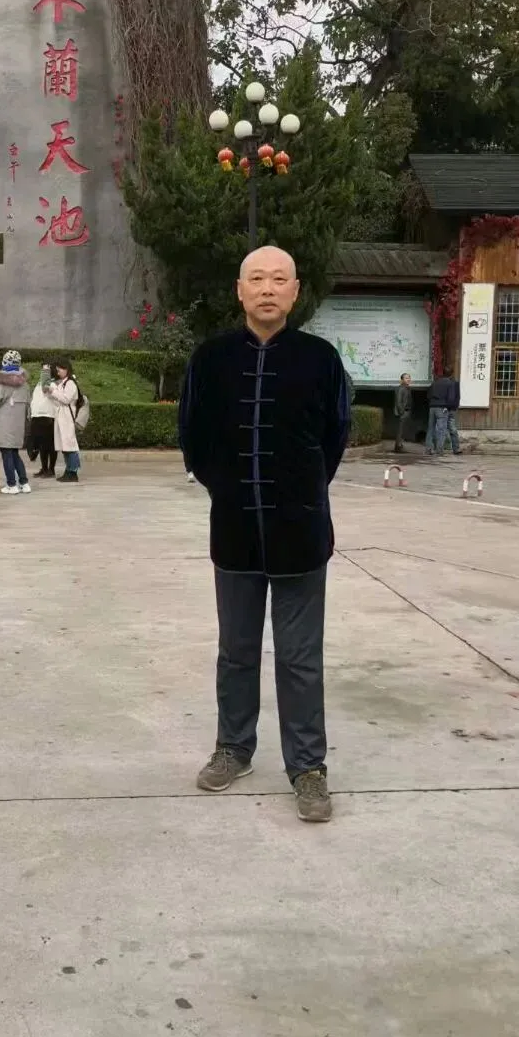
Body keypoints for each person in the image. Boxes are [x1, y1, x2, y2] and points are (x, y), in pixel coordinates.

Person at [179, 245, 350, 824]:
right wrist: (227, 487)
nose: (268, 289)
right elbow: (193, 436)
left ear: (296, 292)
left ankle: (308, 767)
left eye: (279, 279)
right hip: (233, 528)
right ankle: (234, 748)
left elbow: (334, 437)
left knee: (301, 658)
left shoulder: (321, 359)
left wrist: (303, 490)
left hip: (301, 531)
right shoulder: (211, 358)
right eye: (257, 278)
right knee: (236, 650)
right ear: (240, 290)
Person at [0, 351, 32, 494]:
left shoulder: (0, 383)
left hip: (3, 424)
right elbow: (29, 405)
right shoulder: (25, 385)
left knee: (7, 454)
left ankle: (11, 484)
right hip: (18, 425)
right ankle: (24, 483)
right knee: (14, 453)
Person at [45, 359, 83, 483]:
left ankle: (73, 472)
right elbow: (57, 399)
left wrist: (53, 391)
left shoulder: (71, 383)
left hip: (68, 419)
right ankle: (68, 471)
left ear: (66, 368)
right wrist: (50, 393)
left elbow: (66, 399)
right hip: (62, 418)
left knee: (70, 446)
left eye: (60, 369)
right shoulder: (63, 383)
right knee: (65, 447)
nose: (58, 372)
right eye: (57, 370)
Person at [29, 368, 57, 478]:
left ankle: (51, 469)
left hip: (48, 416)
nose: (43, 374)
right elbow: (34, 399)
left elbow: (51, 395)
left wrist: (47, 386)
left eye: (46, 372)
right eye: (42, 372)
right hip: (36, 416)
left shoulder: (53, 384)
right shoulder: (38, 385)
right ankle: (44, 468)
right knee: (40, 445)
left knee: (50, 445)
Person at [424, 372, 461, 456]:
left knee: (431, 428)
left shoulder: (435, 382)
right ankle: (439, 450)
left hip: (432, 407)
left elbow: (428, 395)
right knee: (441, 430)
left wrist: (432, 403)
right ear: (451, 374)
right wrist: (447, 407)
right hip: (442, 407)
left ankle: (428, 449)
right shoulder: (450, 383)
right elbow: (451, 397)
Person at [393, 372, 413, 453]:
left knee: (403, 430)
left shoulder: (407, 388)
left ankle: (399, 445)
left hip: (407, 411)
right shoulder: (401, 388)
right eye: (406, 378)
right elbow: (398, 401)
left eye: (409, 378)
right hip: (403, 412)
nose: (408, 379)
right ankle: (398, 446)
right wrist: (402, 412)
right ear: (402, 380)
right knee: (400, 431)